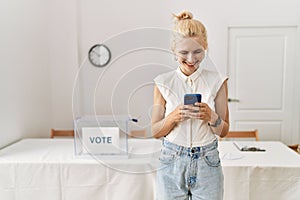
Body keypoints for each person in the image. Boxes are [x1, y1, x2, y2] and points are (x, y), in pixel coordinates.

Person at [151, 10, 229, 200]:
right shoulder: (162, 82)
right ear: (173, 51)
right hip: (171, 161)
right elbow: (155, 130)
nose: (191, 59)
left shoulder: (218, 81)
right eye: (184, 53)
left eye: (198, 52)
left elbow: (224, 131)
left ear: (206, 48)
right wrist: (173, 116)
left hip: (208, 162)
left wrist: (211, 117)